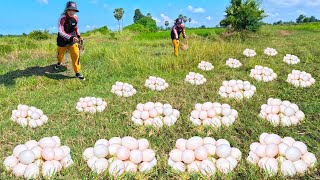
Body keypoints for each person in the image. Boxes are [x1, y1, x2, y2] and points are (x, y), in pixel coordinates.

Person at [54, 1, 85, 80]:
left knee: (76, 54)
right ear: (66, 10)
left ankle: (77, 72)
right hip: (62, 39)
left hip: (73, 39)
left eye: (73, 10)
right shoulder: (62, 18)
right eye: (70, 10)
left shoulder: (76, 17)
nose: (72, 12)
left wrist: (79, 35)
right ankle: (59, 63)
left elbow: (76, 28)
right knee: (60, 55)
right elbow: (61, 31)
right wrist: (70, 37)